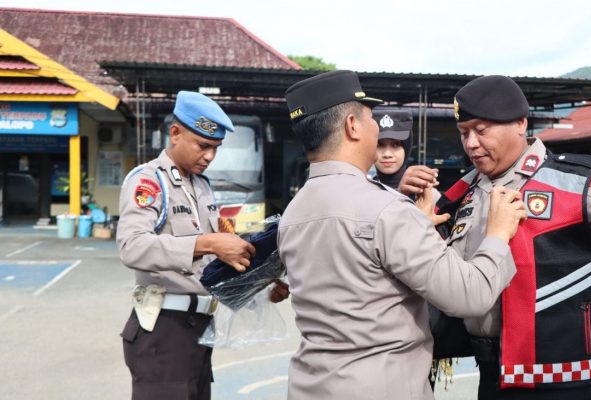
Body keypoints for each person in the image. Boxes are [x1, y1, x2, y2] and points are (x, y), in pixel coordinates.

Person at [400, 75, 591, 400]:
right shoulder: (465, 192)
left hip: (564, 383)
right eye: (463, 133)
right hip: (494, 375)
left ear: (519, 123)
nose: (471, 143)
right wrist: (413, 217)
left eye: (481, 130)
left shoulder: (575, 182)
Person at [279, 69, 527, 400]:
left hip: (310, 386)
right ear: (352, 126)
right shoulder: (387, 210)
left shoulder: (293, 213)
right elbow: (470, 295)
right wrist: (497, 232)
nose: (374, 126)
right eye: (370, 118)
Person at [116, 91, 257, 400]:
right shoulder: (150, 182)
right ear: (176, 134)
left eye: (215, 149)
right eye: (203, 146)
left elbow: (211, 264)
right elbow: (132, 246)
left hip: (199, 329)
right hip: (163, 332)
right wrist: (207, 242)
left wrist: (259, 284)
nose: (209, 157)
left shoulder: (202, 187)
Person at [372, 110, 413, 189]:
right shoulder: (360, 194)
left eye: (395, 145)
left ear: (407, 148)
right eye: (379, 145)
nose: (387, 154)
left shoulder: (426, 194)